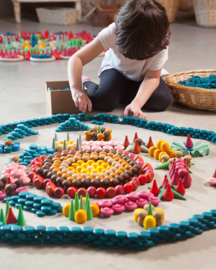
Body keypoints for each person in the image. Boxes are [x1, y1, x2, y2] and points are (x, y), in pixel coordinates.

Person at [68, 0, 172, 119]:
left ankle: (119, 93)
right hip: (116, 70)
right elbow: (77, 58)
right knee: (104, 102)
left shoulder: (159, 41)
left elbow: (152, 77)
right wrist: (76, 88)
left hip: (143, 77)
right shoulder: (113, 31)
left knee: (162, 100)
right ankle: (87, 82)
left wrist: (137, 103)